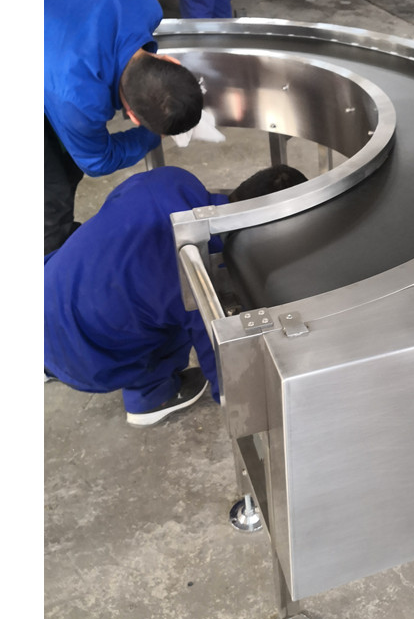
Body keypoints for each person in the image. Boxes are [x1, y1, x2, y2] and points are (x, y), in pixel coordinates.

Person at [44, 164, 307, 427]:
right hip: (82, 361)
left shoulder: (169, 180)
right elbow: (227, 376)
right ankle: (151, 398)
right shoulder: (200, 275)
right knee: (179, 312)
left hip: (44, 291)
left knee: (129, 280)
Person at [44, 0, 204, 255]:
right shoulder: (78, 99)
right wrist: (150, 137)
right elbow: (98, 160)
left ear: (169, 60)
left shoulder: (147, 6)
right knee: (51, 197)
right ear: (133, 116)